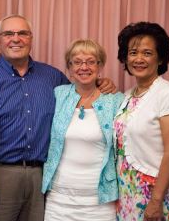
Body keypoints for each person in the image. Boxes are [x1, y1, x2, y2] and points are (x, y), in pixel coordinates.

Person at [0, 14, 116, 221]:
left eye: (23, 33)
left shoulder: (53, 77)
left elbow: (81, 92)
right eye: (8, 33)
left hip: (42, 177)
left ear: (31, 38)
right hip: (0, 176)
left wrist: (101, 84)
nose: (16, 38)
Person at [114, 22, 169, 220]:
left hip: (159, 190)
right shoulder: (128, 96)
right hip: (129, 187)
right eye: (133, 52)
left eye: (147, 53)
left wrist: (156, 200)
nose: (139, 59)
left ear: (160, 58)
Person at [42, 39, 124, 220]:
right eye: (77, 62)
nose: (84, 67)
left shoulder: (116, 100)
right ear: (69, 68)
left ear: (100, 65)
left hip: (100, 200)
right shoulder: (58, 94)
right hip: (59, 199)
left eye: (90, 61)